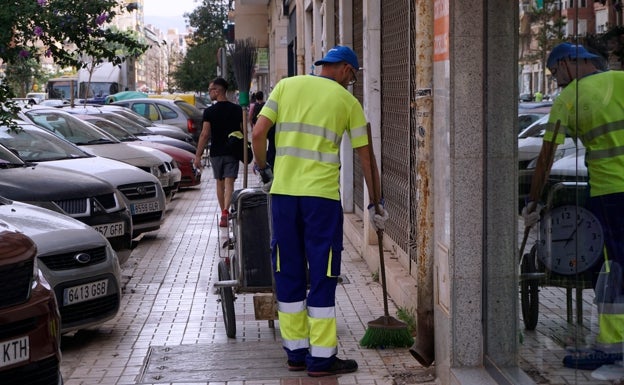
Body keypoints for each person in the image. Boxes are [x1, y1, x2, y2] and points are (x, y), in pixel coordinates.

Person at [251, 45, 389, 377]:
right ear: (343, 68)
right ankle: (322, 359)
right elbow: (366, 157)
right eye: (352, 76)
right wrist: (375, 202)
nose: (351, 82)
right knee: (324, 273)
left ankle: (296, 353)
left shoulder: (286, 86)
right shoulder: (348, 103)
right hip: (322, 201)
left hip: (283, 197)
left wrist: (264, 169)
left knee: (288, 272)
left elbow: (257, 133)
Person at [523, 42, 624, 367]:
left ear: (568, 63)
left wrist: (534, 202)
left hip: (610, 193)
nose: (555, 80)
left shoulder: (567, 101)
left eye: (554, 72)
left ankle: (612, 346)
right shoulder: (621, 81)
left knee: (614, 267)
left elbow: (546, 157)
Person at [194, 77, 243, 227]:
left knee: (219, 183)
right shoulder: (237, 109)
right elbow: (242, 131)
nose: (209, 93)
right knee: (230, 183)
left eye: (210, 90)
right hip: (232, 151)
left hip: (216, 152)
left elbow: (204, 134)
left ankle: (223, 210)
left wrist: (198, 155)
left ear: (217, 90)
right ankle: (225, 212)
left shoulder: (209, 112)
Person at [249, 91, 276, 167]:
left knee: (260, 142)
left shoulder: (253, 106)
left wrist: (252, 126)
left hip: (257, 126)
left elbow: (250, 117)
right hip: (268, 127)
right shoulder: (267, 105)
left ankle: (260, 159)